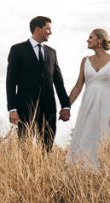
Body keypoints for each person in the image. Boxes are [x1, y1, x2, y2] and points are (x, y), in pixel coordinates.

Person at [6, 15, 71, 149]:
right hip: (25, 107)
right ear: (38, 29)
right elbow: (10, 81)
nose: (50, 32)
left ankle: (44, 169)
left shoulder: (52, 52)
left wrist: (65, 106)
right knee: (24, 145)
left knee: (47, 145)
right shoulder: (17, 50)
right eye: (48, 29)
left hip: (48, 107)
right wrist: (12, 108)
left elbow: (58, 81)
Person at [66, 28, 110, 169]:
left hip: (106, 103)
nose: (87, 40)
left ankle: (106, 171)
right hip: (88, 103)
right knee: (86, 134)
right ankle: (83, 171)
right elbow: (78, 85)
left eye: (90, 37)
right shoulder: (85, 60)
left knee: (105, 137)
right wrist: (66, 106)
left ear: (100, 40)